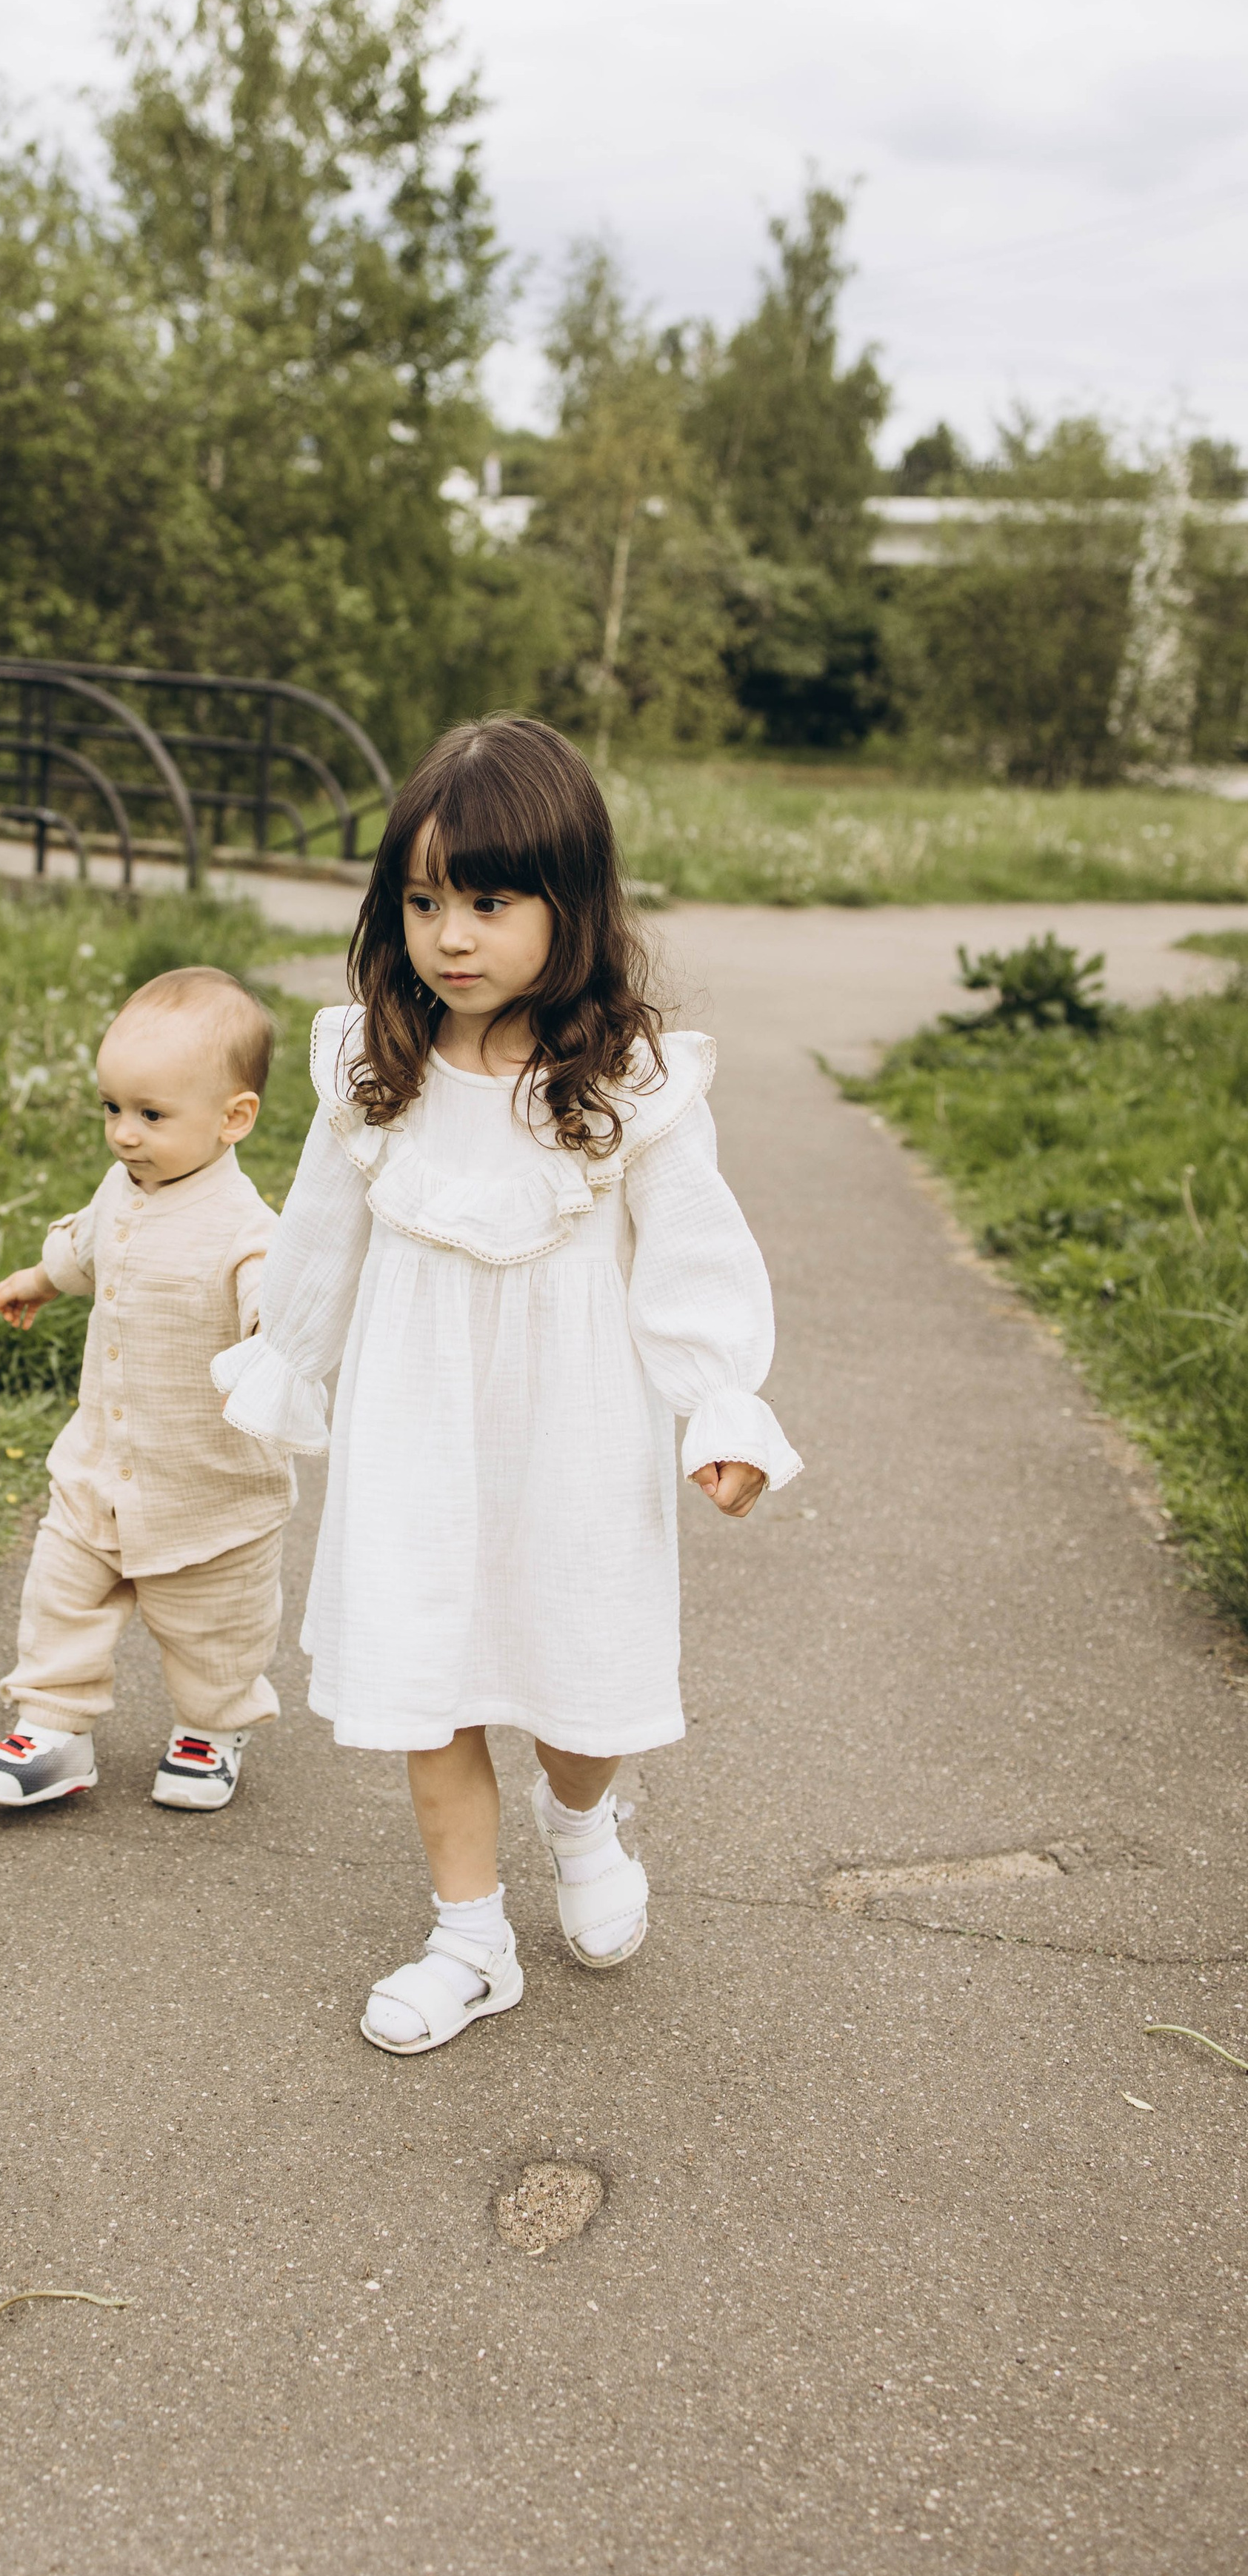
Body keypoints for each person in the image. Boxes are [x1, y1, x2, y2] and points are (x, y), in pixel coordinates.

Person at [212, 717, 801, 2051]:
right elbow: (318, 1234)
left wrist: (721, 1403)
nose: (450, 936)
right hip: (416, 1424)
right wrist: (287, 1366)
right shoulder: (376, 1071)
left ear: (570, 905)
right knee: (435, 1676)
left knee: (579, 1672)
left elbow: (697, 1252)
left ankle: (583, 1820)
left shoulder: (624, 1084)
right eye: (422, 903)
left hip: (573, 1428)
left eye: (488, 901)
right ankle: (469, 1938)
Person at [0, 966, 293, 1815]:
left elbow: (277, 1302)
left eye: (149, 1115)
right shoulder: (124, 1186)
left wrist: (269, 1342)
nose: (124, 1135)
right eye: (111, 1109)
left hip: (207, 1487)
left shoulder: (247, 1229)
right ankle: (53, 1726)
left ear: (234, 1118)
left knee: (215, 1630)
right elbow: (91, 1245)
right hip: (99, 1469)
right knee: (61, 1593)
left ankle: (212, 1730)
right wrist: (39, 1276)